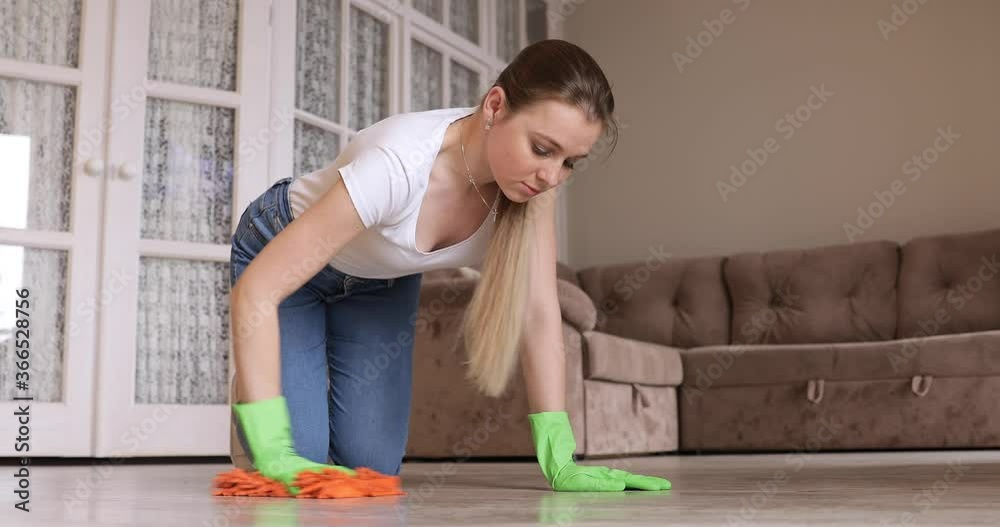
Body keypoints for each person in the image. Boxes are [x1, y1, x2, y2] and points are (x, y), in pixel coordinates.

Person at [228, 39, 671, 494]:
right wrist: (271, 444)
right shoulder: (399, 163)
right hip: (282, 257)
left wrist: (561, 459)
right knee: (295, 467)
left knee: (372, 471)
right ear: (495, 105)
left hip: (379, 282)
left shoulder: (531, 193)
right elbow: (257, 291)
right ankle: (258, 414)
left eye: (569, 162)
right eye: (542, 148)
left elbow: (538, 315)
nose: (551, 176)